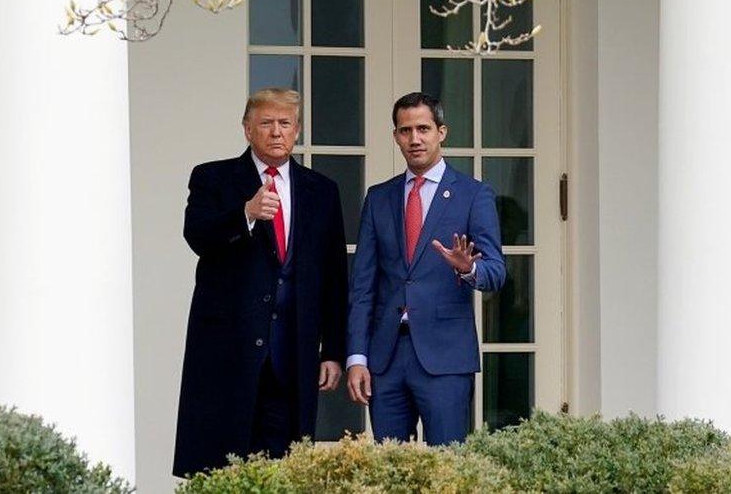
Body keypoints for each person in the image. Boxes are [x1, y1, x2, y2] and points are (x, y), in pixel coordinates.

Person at [173, 88, 348, 476]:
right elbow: (196, 236)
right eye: (266, 123)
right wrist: (245, 214)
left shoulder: (321, 190)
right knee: (223, 467)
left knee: (287, 468)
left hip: (294, 355)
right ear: (247, 129)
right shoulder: (213, 178)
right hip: (228, 353)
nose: (276, 132)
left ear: (297, 130)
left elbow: (334, 277)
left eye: (285, 124)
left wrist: (333, 350)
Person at [346, 92, 506, 445]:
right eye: (405, 131)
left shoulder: (473, 194)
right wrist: (357, 357)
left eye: (423, 128)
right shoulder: (379, 197)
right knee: (391, 473)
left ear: (441, 132)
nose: (414, 139)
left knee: (447, 469)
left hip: (445, 358)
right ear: (395, 137)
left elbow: (496, 271)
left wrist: (468, 270)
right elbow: (363, 286)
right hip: (385, 358)